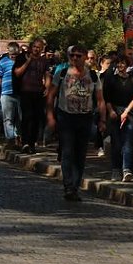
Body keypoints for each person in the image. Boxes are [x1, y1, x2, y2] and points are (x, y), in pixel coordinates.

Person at [45, 45, 106, 201]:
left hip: (85, 118)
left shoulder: (92, 76)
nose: (75, 58)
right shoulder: (62, 73)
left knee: (80, 154)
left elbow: (100, 100)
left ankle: (75, 187)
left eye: (78, 55)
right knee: (67, 152)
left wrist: (102, 120)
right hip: (66, 117)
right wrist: (51, 118)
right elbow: (51, 96)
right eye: (72, 55)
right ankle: (68, 186)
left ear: (85, 57)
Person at [103, 56, 133, 182]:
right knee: (116, 143)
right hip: (115, 112)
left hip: (129, 112)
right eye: (118, 63)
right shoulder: (112, 79)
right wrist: (111, 111)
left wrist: (130, 110)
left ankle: (127, 169)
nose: (120, 65)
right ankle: (116, 169)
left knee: (128, 141)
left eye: (123, 63)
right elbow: (106, 97)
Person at [14, 37, 50, 153]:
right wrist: (28, 61)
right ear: (31, 47)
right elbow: (17, 73)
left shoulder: (44, 61)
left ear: (42, 49)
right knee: (27, 117)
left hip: (38, 91)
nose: (36, 49)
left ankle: (32, 143)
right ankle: (25, 142)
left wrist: (47, 87)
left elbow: (47, 74)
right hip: (25, 91)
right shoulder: (22, 58)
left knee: (36, 118)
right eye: (34, 47)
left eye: (38, 47)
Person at [0, 42, 21, 148]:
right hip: (6, 93)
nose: (13, 56)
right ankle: (10, 139)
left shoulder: (22, 61)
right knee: (8, 118)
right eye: (12, 54)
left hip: (20, 93)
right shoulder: (2, 62)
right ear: (8, 51)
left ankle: (17, 137)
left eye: (15, 54)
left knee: (20, 117)